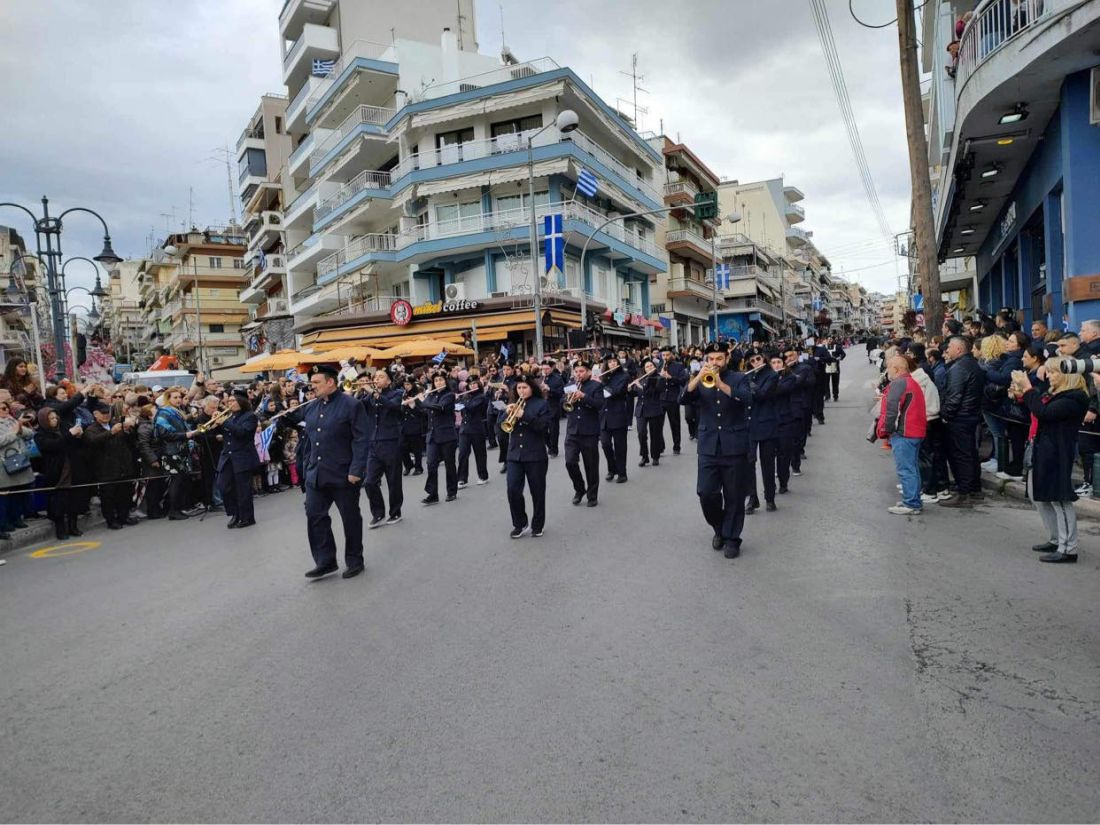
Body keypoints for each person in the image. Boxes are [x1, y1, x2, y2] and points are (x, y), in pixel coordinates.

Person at [682, 342, 753, 558]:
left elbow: (748, 399)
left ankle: (732, 538)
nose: (714, 363)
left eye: (718, 359)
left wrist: (721, 384)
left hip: (734, 445)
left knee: (734, 495)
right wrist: (696, 379)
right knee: (705, 492)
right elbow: (683, 399)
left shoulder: (739, 378)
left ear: (726, 358)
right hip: (708, 445)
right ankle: (719, 527)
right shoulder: (699, 379)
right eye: (710, 359)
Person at [1014, 362, 1089, 563]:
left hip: (1058, 451)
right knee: (1038, 495)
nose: (1049, 375)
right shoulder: (1056, 394)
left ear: (1069, 375)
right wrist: (1023, 391)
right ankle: (1056, 538)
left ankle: (1068, 548)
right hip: (1042, 448)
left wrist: (1028, 388)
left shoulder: (1074, 398)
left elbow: (1044, 413)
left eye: (1055, 372)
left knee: (1059, 498)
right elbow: (1037, 407)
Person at [300, 364, 370, 580]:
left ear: (330, 382)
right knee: (315, 515)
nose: (312, 387)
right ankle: (325, 561)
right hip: (317, 474)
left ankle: (354, 560)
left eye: (316, 383)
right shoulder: (312, 407)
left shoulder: (351, 405)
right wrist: (306, 469)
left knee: (349, 518)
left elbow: (361, 439)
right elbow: (310, 441)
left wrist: (356, 469)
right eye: (312, 383)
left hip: (343, 474)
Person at [877, 355, 928, 515]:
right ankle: (912, 499)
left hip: (905, 432)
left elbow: (891, 411)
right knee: (911, 467)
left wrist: (886, 430)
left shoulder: (899, 383)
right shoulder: (909, 382)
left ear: (897, 369)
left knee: (906, 469)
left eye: (889, 367)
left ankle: (911, 503)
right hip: (913, 430)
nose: (887, 371)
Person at [939, 336, 986, 508]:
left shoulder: (958, 368)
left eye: (950, 347)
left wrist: (946, 415)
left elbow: (954, 396)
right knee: (969, 453)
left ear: (959, 349)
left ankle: (964, 492)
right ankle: (973, 488)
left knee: (960, 455)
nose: (947, 350)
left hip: (960, 418)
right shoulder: (972, 364)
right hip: (969, 415)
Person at [504, 376, 554, 538]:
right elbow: (502, 428)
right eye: (519, 388)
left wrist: (523, 415)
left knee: (537, 492)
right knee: (512, 490)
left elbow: (543, 427)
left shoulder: (542, 405)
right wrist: (506, 414)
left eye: (525, 387)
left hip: (535, 454)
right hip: (514, 455)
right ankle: (520, 523)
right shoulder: (512, 404)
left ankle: (538, 524)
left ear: (532, 388)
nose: (521, 391)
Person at [207, 390, 260, 529]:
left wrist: (224, 422)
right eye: (229, 401)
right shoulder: (229, 417)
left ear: (241, 402)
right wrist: (214, 424)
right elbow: (220, 433)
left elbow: (242, 433)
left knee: (243, 490)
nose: (230, 403)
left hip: (242, 456)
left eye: (233, 400)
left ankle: (247, 517)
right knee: (223, 485)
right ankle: (235, 513)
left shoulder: (250, 416)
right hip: (227, 457)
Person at [82, 400, 138, 530]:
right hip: (106, 469)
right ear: (95, 414)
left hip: (123, 465)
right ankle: (111, 520)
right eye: (103, 413)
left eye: (108, 413)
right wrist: (111, 432)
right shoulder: (91, 429)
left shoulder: (115, 423)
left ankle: (123, 516)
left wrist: (129, 430)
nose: (106, 415)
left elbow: (130, 441)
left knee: (124, 494)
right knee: (108, 497)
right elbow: (92, 442)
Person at [360, 369, 406, 527]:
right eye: (375, 377)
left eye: (381, 377)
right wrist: (358, 392)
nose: (376, 379)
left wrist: (374, 393)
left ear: (388, 381)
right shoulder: (370, 396)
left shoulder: (396, 393)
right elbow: (358, 407)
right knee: (369, 482)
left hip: (391, 442)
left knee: (393, 481)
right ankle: (378, 513)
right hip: (373, 443)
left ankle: (395, 512)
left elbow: (393, 406)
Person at [563, 361, 605, 507]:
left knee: (591, 465)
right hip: (572, 430)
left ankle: (592, 495)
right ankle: (579, 489)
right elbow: (563, 404)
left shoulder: (596, 386)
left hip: (589, 431)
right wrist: (569, 400)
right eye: (576, 371)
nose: (578, 374)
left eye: (581, 371)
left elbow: (600, 404)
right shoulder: (570, 385)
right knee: (570, 462)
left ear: (588, 372)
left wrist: (583, 396)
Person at [744, 351, 782, 513]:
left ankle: (770, 498)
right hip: (750, 424)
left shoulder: (772, 375)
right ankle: (752, 498)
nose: (756, 362)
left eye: (758, 359)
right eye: (752, 361)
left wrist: (750, 385)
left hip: (767, 424)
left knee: (767, 463)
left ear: (764, 359)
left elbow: (763, 394)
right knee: (748, 463)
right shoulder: (748, 376)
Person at [416, 372, 458, 505]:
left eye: (440, 380)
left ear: (445, 381)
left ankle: (452, 491)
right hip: (432, 435)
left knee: (449, 464)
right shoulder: (431, 395)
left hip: (447, 435)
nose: (438, 383)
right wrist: (415, 405)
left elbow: (440, 408)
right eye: (436, 381)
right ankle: (433, 494)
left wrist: (423, 401)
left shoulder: (449, 395)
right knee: (431, 464)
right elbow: (425, 412)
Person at [0, 400, 36, 538]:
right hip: (4, 464)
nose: (6, 411)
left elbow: (29, 434)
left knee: (19, 492)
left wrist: (19, 425)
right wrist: (14, 431)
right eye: (2, 408)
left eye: (6, 408)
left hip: (20, 460)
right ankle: (5, 522)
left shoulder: (11, 420)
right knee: (5, 496)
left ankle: (16, 518)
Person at [599, 355, 631, 484]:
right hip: (604, 416)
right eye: (610, 362)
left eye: (614, 361)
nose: (612, 364)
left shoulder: (624, 377)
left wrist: (603, 382)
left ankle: (622, 473)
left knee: (620, 446)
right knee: (605, 444)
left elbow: (616, 392)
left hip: (618, 414)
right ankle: (612, 468)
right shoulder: (603, 376)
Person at [456, 374, 490, 489]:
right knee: (462, 454)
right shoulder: (466, 397)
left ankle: (483, 476)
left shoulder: (481, 397)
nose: (472, 385)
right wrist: (457, 401)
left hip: (476, 429)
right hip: (464, 429)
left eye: (474, 383)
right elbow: (459, 409)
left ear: (478, 384)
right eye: (470, 384)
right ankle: (462, 478)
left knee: (479, 454)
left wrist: (460, 400)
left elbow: (471, 407)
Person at [631, 359, 665, 467]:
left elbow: (654, 391)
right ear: (644, 369)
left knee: (655, 434)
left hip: (654, 409)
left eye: (651, 366)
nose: (649, 368)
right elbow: (635, 393)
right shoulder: (641, 378)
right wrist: (630, 388)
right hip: (641, 410)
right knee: (641, 433)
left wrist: (640, 387)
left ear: (655, 367)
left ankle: (655, 456)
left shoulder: (659, 378)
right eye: (647, 367)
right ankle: (644, 456)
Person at [659, 348, 687, 454]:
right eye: (663, 355)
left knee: (675, 423)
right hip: (661, 398)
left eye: (667, 355)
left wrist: (670, 377)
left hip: (672, 398)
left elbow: (683, 380)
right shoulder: (659, 365)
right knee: (658, 424)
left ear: (671, 355)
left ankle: (676, 446)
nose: (665, 357)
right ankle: (661, 446)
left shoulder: (678, 366)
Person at [541, 361, 564, 458]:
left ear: (551, 368)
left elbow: (560, 393)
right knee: (542, 429)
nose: (545, 371)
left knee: (553, 430)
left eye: (547, 369)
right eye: (543, 369)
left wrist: (549, 389)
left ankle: (554, 450)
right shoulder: (541, 378)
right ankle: (549, 446)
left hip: (553, 406)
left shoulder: (557, 378)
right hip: (543, 407)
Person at [826, 336, 846, 401]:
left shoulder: (837, 347)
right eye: (828, 339)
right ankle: (827, 395)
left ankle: (835, 395)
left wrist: (839, 358)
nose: (829, 340)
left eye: (831, 339)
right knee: (826, 382)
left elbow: (843, 354)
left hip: (835, 367)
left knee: (835, 382)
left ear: (833, 340)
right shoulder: (824, 348)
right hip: (826, 367)